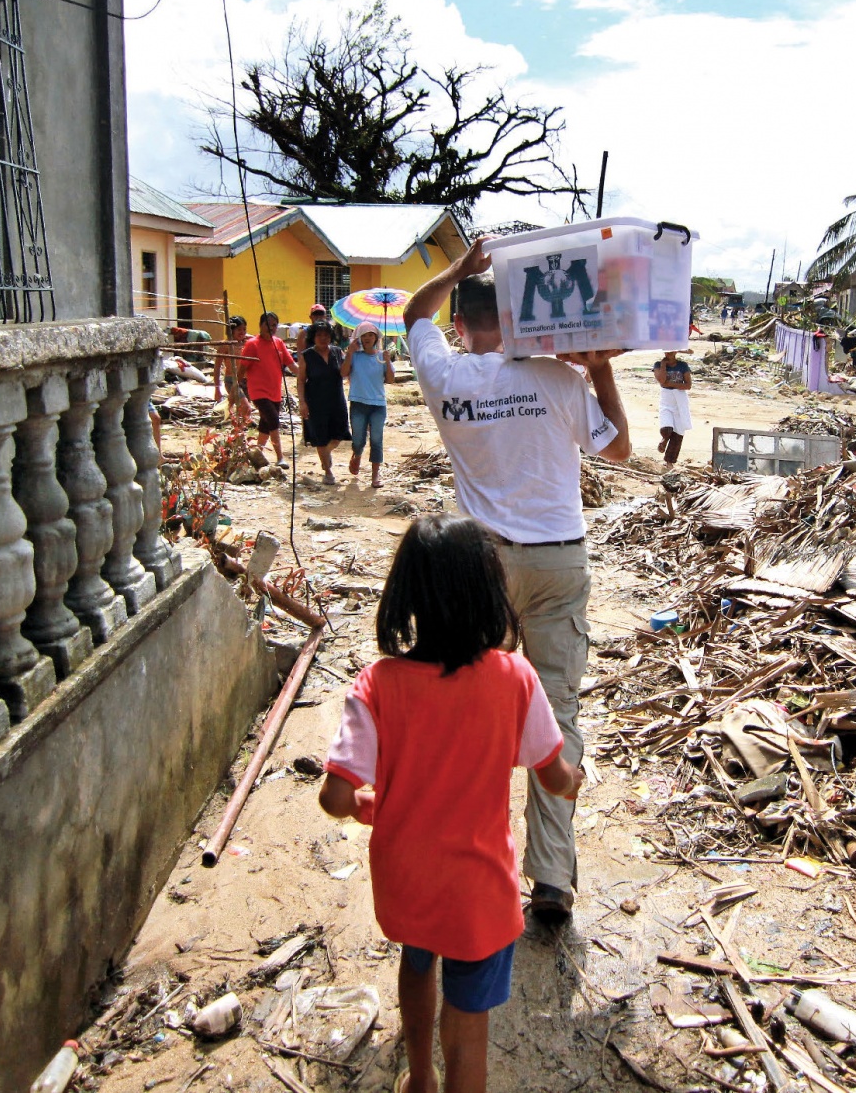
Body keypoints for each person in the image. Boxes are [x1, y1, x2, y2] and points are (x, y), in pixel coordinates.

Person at [403, 239, 630, 924]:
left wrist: (455, 269)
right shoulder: (560, 379)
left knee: (475, 713)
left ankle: (476, 858)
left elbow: (413, 310)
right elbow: (619, 448)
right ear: (518, 317)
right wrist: (599, 374)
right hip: (559, 562)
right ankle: (553, 880)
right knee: (557, 717)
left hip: (482, 569)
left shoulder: (446, 377)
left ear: (462, 326)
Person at [319, 514, 583, 1093]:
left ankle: (418, 1078)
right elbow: (552, 773)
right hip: (476, 892)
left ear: (406, 594)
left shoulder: (377, 683)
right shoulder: (515, 677)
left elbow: (335, 795)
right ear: (489, 590)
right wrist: (573, 781)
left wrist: (369, 806)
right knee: (467, 1033)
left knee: (417, 961)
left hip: (408, 880)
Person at [342, 321, 396, 488]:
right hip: (358, 403)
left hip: (378, 405)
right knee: (358, 439)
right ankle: (357, 454)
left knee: (376, 439)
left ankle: (375, 475)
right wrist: (349, 354)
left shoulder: (382, 357)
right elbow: (343, 373)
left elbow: (390, 379)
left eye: (370, 335)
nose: (367, 338)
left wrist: (387, 361)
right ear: (359, 338)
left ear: (376, 338)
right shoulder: (355, 356)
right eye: (364, 335)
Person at [298, 319, 351, 484]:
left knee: (339, 434)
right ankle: (328, 472)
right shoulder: (307, 356)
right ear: (313, 337)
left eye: (326, 335)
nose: (323, 338)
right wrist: (302, 402)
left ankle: (326, 454)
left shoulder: (336, 352)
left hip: (336, 399)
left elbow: (344, 373)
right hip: (315, 401)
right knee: (320, 436)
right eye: (319, 335)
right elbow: (300, 380)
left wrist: (350, 354)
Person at [240, 312, 296, 465]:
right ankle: (280, 457)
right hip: (258, 392)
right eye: (268, 324)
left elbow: (292, 365)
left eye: (274, 325)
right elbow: (242, 369)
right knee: (273, 420)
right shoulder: (252, 344)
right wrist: (237, 390)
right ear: (260, 325)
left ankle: (257, 454)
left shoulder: (279, 343)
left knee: (265, 426)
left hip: (275, 392)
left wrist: (307, 375)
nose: (271, 328)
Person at [652, 350, 692, 466]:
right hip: (666, 400)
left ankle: (669, 462)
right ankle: (664, 440)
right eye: (666, 351)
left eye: (670, 351)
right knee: (666, 427)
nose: (667, 353)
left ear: (675, 352)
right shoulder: (658, 365)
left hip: (680, 400)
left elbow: (688, 385)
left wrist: (671, 385)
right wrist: (663, 365)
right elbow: (662, 381)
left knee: (679, 432)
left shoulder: (682, 365)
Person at [213, 315, 251, 422]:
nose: (242, 332)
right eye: (239, 330)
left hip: (246, 381)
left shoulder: (248, 342)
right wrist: (217, 389)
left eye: (244, 329)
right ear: (231, 331)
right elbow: (217, 368)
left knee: (241, 409)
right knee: (245, 406)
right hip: (232, 381)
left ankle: (239, 429)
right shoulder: (225, 345)